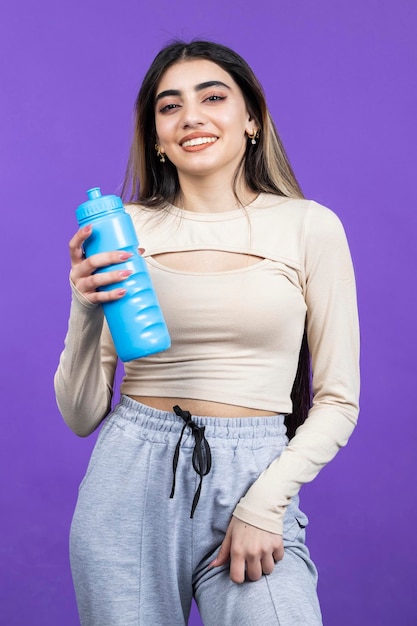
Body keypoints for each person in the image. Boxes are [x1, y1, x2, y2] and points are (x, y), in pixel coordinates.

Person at [54, 40, 360, 626]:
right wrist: (84, 304)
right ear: (155, 137)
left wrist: (264, 507)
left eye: (213, 97)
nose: (191, 116)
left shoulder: (309, 226)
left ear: (252, 119)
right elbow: (80, 415)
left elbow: (339, 400)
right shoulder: (125, 229)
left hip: (255, 476)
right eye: (169, 107)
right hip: (127, 482)